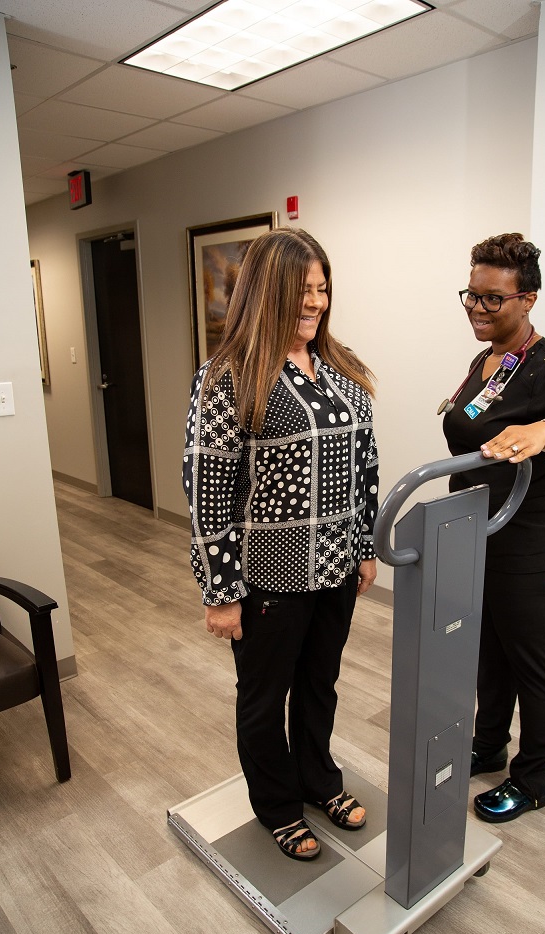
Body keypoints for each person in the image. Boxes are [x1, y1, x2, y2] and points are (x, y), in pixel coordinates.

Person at [183, 228, 379, 859]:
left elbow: (365, 464)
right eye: (302, 290)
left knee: (321, 684)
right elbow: (208, 493)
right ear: (266, 293)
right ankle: (275, 803)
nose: (315, 302)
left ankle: (319, 778)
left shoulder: (342, 371)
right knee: (266, 697)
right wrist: (220, 591)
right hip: (270, 572)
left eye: (322, 289)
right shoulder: (228, 377)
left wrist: (367, 544)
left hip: (338, 567)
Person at [442, 233, 545, 823]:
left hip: (536, 541)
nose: (477, 311)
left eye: (493, 301)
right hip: (481, 533)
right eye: (471, 296)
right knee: (490, 652)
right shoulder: (488, 361)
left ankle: (532, 779)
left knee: (532, 659)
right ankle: (488, 747)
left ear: (528, 299)